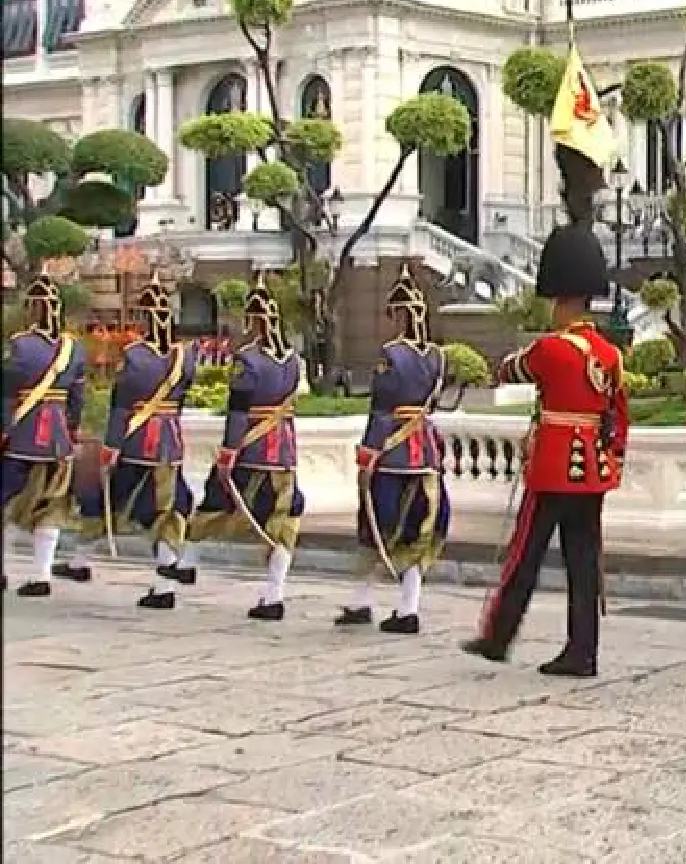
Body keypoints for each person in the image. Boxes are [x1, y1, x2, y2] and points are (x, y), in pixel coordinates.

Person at [463, 218, 628, 677]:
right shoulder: (611, 355)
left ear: (562, 301)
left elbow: (510, 369)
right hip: (592, 470)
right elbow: (620, 417)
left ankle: (498, 635)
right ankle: (583, 650)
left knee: (525, 553)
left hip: (554, 466)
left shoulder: (552, 349)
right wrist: (612, 461)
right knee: (583, 563)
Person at [64, 276, 196, 607]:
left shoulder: (135, 355)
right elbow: (180, 401)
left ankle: (82, 558)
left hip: (136, 442)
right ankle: (164, 580)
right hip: (169, 441)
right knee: (170, 508)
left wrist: (111, 445)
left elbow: (121, 405)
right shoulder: (185, 357)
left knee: (108, 500)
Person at [335, 265, 452, 634]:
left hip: (393, 454)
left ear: (400, 314)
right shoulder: (438, 356)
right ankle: (407, 606)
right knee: (418, 528)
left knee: (375, 525)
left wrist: (369, 451)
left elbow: (381, 408)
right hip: (425, 452)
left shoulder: (391, 354)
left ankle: (363, 600)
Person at [186, 274, 308, 619]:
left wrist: (228, 451)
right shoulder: (293, 360)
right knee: (284, 519)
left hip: (251, 449)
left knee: (217, 502)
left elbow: (238, 410)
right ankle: (274, 593)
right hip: (283, 451)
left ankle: (186, 561)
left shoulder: (247, 360)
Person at [3, 274, 88, 596]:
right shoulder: (74, 348)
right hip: (57, 437)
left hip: (21, 435)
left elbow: (6, 394)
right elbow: (77, 398)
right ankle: (42, 576)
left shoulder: (19, 344)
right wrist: (72, 430)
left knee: (7, 502)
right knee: (52, 506)